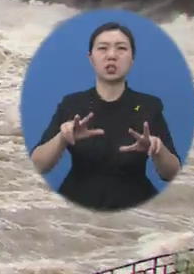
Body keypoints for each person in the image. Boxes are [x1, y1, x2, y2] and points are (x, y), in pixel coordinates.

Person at [29, 22, 183, 211]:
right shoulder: (72, 104)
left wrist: (157, 149)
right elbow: (37, 165)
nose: (111, 55)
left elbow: (172, 173)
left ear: (132, 58)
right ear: (91, 58)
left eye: (121, 48)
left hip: (137, 209)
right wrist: (62, 138)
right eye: (102, 48)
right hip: (77, 210)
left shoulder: (149, 106)